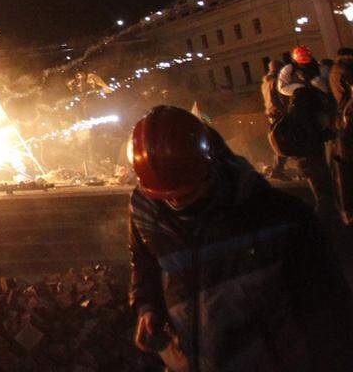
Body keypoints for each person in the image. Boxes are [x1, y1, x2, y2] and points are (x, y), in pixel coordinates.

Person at [128, 105, 351, 370]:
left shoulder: (278, 216)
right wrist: (147, 305)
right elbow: (145, 259)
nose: (175, 202)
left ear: (209, 167)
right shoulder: (147, 211)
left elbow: (328, 312)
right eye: (165, 197)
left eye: (185, 194)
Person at [277, 45, 338, 217]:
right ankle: (325, 197)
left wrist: (320, 88)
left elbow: (328, 90)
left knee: (321, 160)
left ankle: (329, 195)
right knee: (313, 161)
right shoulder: (289, 71)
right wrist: (301, 88)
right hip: (304, 122)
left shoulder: (320, 68)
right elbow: (282, 87)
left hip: (319, 117)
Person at [330, 47, 353, 224]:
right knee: (345, 168)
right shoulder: (345, 70)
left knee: (344, 168)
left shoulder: (336, 70)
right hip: (348, 121)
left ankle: (347, 210)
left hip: (344, 121)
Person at [261, 59, 290, 179]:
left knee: (281, 143)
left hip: (272, 114)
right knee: (287, 141)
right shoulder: (277, 81)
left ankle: (278, 170)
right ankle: (278, 170)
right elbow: (282, 98)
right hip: (281, 114)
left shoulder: (265, 83)